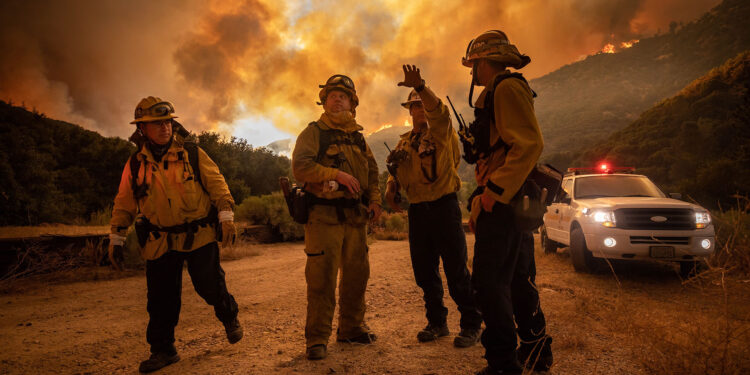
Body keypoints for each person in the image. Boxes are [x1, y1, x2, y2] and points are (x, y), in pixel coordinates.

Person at [108, 96, 242, 373]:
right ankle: (163, 350)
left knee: (209, 286)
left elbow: (217, 183)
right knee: (160, 298)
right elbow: (124, 203)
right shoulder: (135, 164)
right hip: (159, 240)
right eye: (156, 124)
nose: (164, 128)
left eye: (168, 122)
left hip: (200, 234)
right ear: (142, 129)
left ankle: (229, 316)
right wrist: (117, 237)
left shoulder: (192, 153)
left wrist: (226, 215)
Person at [460, 31, 553, 374]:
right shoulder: (499, 91)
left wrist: (492, 194)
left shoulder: (506, 88)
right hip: (504, 201)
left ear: (482, 62)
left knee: (487, 284)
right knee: (516, 279)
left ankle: (502, 364)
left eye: (473, 65)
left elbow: (528, 144)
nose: (473, 71)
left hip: (502, 202)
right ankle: (535, 352)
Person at [385, 65, 482, 347]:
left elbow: (439, 112)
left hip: (443, 208)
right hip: (418, 212)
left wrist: (421, 87)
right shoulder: (404, 142)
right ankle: (437, 322)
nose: (419, 109)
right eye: (415, 106)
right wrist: (391, 189)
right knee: (425, 272)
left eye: (422, 104)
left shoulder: (441, 133)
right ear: (410, 111)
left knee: (456, 271)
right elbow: (396, 172)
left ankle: (471, 324)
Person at [292, 74, 382, 360]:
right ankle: (317, 339)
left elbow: (372, 171)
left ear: (352, 103)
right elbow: (301, 167)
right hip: (323, 218)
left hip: (355, 220)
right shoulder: (314, 132)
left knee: (357, 276)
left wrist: (376, 200)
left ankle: (351, 328)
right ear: (324, 101)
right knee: (321, 279)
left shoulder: (358, 136)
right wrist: (336, 174)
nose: (338, 99)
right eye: (332, 95)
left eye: (343, 95)